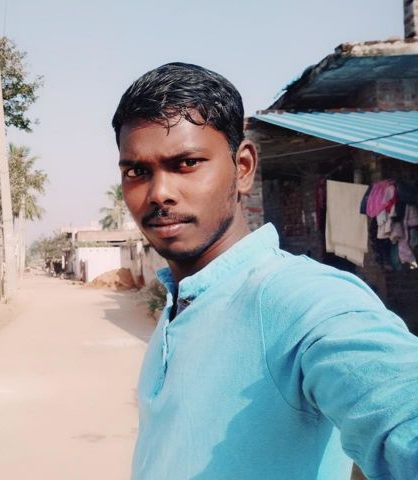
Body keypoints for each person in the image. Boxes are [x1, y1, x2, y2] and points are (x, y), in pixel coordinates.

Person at [111, 62, 418, 480]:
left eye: (187, 163)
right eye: (137, 171)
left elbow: (400, 410)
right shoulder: (181, 300)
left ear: (243, 168)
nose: (159, 193)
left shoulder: (301, 300)